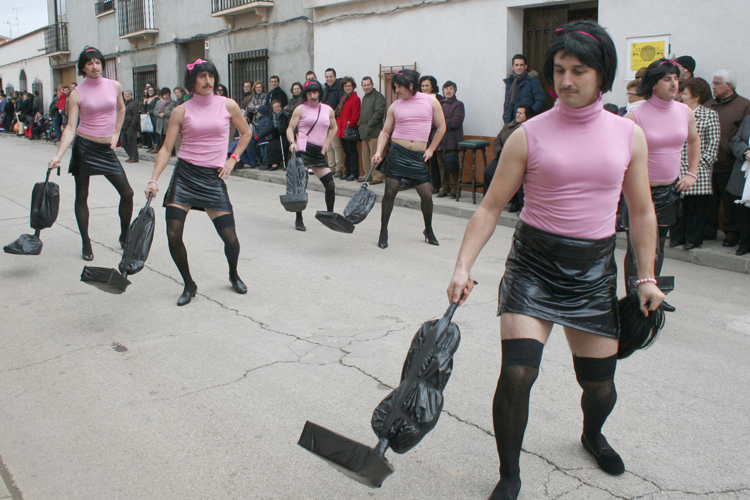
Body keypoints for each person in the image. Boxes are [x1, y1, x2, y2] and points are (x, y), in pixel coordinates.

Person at [446, 22, 665, 500]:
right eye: (560, 70)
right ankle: (509, 474)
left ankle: (591, 434)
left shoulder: (629, 135)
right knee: (518, 372)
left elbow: (643, 211)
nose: (566, 81)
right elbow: (489, 207)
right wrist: (463, 266)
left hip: (592, 271)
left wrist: (645, 276)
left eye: (579, 71)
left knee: (600, 386)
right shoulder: (528, 134)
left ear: (601, 73)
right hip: (533, 267)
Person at [144, 59, 253, 306]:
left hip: (212, 179)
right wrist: (154, 179)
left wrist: (232, 159)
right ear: (192, 82)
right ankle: (188, 283)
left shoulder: (228, 105)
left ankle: (233, 274)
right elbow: (166, 148)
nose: (208, 81)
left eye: (211, 76)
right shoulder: (181, 110)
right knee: (173, 234)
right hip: (184, 176)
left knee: (231, 239)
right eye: (202, 76)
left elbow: (246, 133)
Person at [48, 46, 134, 261]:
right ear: (83, 68)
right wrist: (59, 155)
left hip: (106, 149)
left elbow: (121, 109)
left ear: (102, 64)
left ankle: (125, 235)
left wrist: (116, 133)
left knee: (127, 193)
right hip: (85, 147)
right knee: (82, 195)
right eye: (90, 63)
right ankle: (86, 242)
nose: (95, 66)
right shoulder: (77, 93)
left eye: (98, 62)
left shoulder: (114, 86)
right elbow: (70, 127)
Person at [623, 58, 700, 284]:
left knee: (658, 246)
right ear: (654, 84)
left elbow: (694, 142)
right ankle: (634, 300)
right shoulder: (635, 115)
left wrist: (691, 173)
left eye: (676, 79)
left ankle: (653, 293)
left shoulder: (685, 112)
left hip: (669, 189)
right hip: (639, 191)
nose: (674, 84)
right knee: (637, 248)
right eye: (667, 79)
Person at [371, 69, 446, 249]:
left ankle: (428, 230)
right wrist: (379, 151)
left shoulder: (431, 101)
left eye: (399, 87)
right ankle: (383, 232)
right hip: (397, 153)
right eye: (395, 87)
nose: (396, 91)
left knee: (426, 195)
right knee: (390, 192)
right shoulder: (395, 105)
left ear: (411, 85)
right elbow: (385, 132)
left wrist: (431, 149)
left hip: (418, 156)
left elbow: (442, 127)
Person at [669, 78, 720, 249]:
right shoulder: (677, 113)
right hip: (676, 167)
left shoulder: (709, 115)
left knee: (696, 208)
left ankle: (693, 239)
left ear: (697, 96)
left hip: (699, 170)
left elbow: (713, 145)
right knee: (678, 207)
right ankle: (677, 237)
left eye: (685, 93)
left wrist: (697, 166)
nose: (681, 96)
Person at [704, 69, 750, 247]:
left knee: (730, 202)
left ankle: (731, 233)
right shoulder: (709, 105)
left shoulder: (744, 105)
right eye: (713, 83)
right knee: (709, 200)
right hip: (710, 162)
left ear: (728, 86)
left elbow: (742, 135)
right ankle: (708, 230)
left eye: (717, 83)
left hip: (731, 163)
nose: (713, 87)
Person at [286, 79, 339, 231]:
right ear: (305, 95)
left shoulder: (328, 109)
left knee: (330, 184)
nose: (312, 96)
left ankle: (330, 216)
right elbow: (290, 128)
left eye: (315, 92)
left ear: (320, 93)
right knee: (301, 186)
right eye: (309, 93)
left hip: (318, 152)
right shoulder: (300, 109)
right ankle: (299, 219)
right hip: (303, 148)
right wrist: (292, 142)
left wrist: (326, 145)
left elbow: (334, 128)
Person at [483, 105, 534, 207]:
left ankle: (515, 202)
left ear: (527, 116)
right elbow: (497, 140)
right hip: (502, 157)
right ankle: (490, 200)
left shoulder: (529, 129)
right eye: (517, 112)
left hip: (517, 160)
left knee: (515, 177)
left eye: (521, 113)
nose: (517, 115)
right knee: (488, 171)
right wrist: (500, 152)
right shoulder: (508, 126)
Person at [436, 80, 465, 198]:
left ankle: (454, 189)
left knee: (452, 166)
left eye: (451, 89)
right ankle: (444, 188)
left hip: (452, 140)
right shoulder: (439, 104)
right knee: (441, 166)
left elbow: (455, 122)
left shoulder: (459, 105)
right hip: (439, 140)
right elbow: (432, 121)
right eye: (446, 89)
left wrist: (441, 122)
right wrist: (443, 122)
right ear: (443, 91)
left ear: (455, 91)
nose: (448, 91)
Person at [727, 114, 750, 255]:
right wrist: (746, 152)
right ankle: (745, 242)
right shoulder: (748, 119)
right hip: (745, 172)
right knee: (744, 212)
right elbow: (736, 140)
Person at [357, 76, 386, 184]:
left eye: (368, 85)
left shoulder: (378, 97)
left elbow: (379, 113)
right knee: (365, 156)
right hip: (364, 132)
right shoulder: (365, 97)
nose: (366, 87)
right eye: (364, 85)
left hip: (374, 132)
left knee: (375, 155)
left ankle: (377, 176)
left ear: (372, 85)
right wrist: (361, 125)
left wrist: (369, 125)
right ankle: (367, 175)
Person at [417, 75, 444, 192]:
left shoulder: (439, 100)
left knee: (436, 163)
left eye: (427, 85)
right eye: (422, 86)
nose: (424, 88)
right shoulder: (418, 99)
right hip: (421, 135)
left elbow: (440, 120)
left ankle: (437, 185)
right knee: (423, 162)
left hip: (435, 134)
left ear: (432, 87)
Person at [503, 54, 546, 124]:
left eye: (521, 65)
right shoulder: (510, 82)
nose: (519, 67)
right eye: (516, 65)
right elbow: (507, 102)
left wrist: (528, 114)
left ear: (525, 66)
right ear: (512, 66)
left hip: (527, 122)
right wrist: (506, 117)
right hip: (511, 122)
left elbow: (541, 101)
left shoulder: (533, 82)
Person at [335, 76, 361, 181]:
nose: (347, 87)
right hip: (342, 130)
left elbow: (356, 115)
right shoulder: (343, 98)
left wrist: (349, 124)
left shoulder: (356, 99)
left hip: (349, 130)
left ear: (353, 87)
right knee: (346, 152)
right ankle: (348, 171)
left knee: (352, 152)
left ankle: (354, 173)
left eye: (349, 85)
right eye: (345, 86)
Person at [322, 68, 345, 178]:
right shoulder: (325, 89)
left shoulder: (339, 89)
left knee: (336, 145)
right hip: (325, 122)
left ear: (335, 77)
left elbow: (339, 105)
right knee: (328, 146)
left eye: (331, 76)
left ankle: (339, 168)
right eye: (327, 77)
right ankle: (331, 167)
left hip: (334, 121)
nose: (329, 79)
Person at [267, 100, 290, 170]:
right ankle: (274, 163)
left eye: (278, 106)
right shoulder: (271, 116)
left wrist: (278, 130)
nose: (277, 108)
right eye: (275, 107)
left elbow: (286, 125)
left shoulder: (284, 115)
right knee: (271, 145)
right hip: (274, 134)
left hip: (283, 134)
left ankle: (283, 162)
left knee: (281, 144)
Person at [154, 87, 176, 153]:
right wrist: (159, 113)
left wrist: (164, 113)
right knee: (162, 138)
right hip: (160, 123)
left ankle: (171, 152)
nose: (166, 96)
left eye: (167, 95)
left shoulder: (173, 103)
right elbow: (155, 111)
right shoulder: (159, 102)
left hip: (168, 123)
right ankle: (165, 151)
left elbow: (173, 112)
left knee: (169, 138)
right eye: (164, 95)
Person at [121, 90, 140, 163]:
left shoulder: (134, 104)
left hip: (131, 127)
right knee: (124, 143)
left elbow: (136, 116)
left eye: (129, 94)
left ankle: (134, 157)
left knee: (132, 143)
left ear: (131, 95)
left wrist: (132, 126)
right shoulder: (124, 104)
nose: (127, 95)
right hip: (124, 127)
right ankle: (131, 155)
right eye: (125, 94)